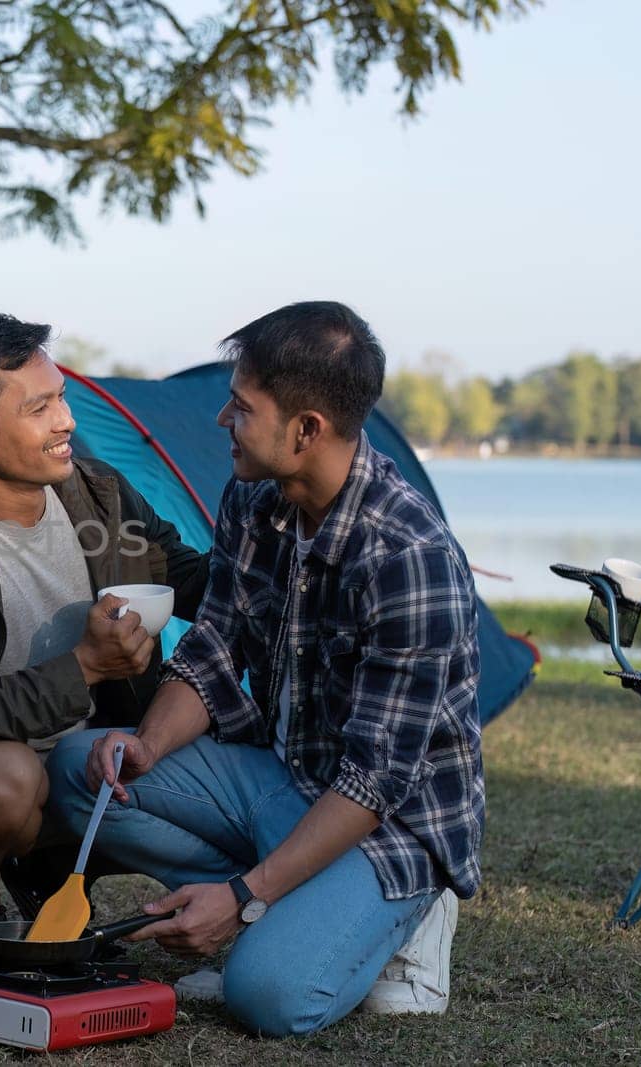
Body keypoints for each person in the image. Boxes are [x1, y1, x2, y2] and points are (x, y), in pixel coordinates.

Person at [48, 301, 483, 1036]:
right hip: (284, 778)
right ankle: (287, 910)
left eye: (242, 407)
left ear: (307, 429)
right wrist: (148, 743)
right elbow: (215, 648)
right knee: (77, 768)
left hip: (388, 822)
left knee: (268, 996)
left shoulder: (410, 557)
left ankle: (398, 921)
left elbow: (373, 782)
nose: (223, 420)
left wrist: (245, 895)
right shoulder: (254, 497)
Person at [0, 312, 209, 953]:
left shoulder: (101, 496)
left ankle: (52, 876)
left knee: (227, 752)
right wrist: (84, 667)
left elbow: (191, 578)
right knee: (2, 785)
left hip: (100, 759)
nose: (67, 421)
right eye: (39, 408)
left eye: (61, 396)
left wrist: (283, 524)